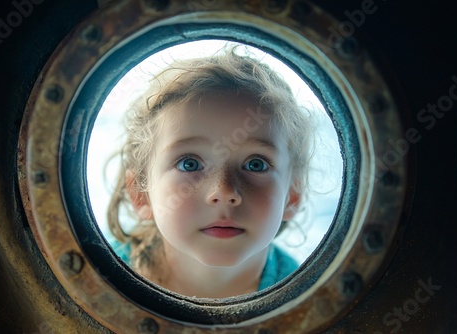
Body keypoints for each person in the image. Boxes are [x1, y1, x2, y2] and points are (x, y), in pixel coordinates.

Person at [107, 46, 314, 298]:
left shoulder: (304, 297)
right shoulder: (102, 274)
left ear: (292, 195)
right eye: (189, 163)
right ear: (141, 194)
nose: (224, 191)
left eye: (256, 164)